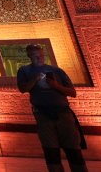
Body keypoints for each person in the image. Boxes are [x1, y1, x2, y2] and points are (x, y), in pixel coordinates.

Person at [17, 44, 87, 172]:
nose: (39, 58)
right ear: (29, 56)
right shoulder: (24, 71)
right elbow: (23, 89)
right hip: (43, 115)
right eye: (35, 56)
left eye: (41, 55)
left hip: (63, 114)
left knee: (73, 150)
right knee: (51, 152)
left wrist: (55, 86)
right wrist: (35, 80)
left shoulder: (56, 71)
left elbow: (72, 93)